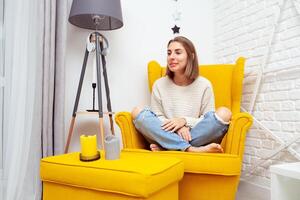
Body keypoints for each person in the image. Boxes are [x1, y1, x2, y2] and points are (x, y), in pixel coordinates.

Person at [131, 36, 232, 153]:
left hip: (193, 133)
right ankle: (189, 149)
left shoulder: (204, 84)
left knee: (224, 113)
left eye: (178, 52)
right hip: (167, 132)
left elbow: (206, 119)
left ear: (191, 56)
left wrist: (184, 121)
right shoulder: (159, 84)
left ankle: (168, 148)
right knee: (137, 112)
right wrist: (177, 128)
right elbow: (158, 118)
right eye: (169, 53)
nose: (171, 57)